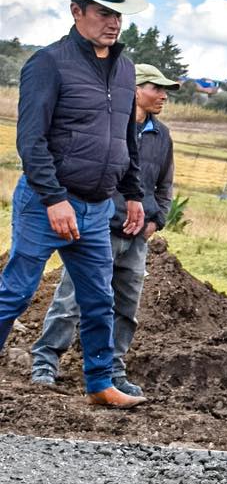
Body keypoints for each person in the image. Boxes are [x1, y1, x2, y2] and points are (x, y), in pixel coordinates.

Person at [0, 0, 148, 408]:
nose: (113, 22)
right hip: (46, 204)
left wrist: (135, 193)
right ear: (76, 11)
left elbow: (125, 138)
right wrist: (53, 198)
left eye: (118, 14)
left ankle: (101, 384)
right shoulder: (48, 64)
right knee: (17, 290)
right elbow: (31, 140)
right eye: (103, 12)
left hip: (99, 205)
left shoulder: (125, 70)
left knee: (99, 298)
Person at [30, 62, 178, 398]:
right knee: (72, 300)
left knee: (126, 307)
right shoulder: (107, 125)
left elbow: (164, 184)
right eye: (156, 87)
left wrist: (157, 220)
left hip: (137, 238)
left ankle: (112, 371)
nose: (163, 95)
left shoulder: (162, 135)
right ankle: (45, 362)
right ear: (135, 89)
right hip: (99, 229)